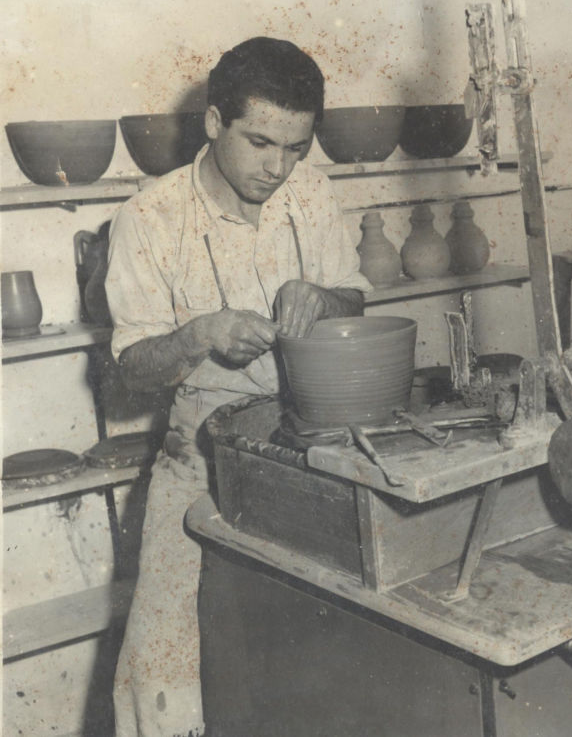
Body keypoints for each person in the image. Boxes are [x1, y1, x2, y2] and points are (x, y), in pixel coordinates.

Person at [105, 37, 372, 737]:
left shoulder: (308, 194)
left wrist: (323, 297)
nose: (278, 168)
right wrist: (199, 336)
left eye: (296, 147)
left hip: (311, 437)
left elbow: (356, 300)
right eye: (259, 143)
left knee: (323, 650)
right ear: (215, 122)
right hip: (199, 452)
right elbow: (131, 370)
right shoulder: (149, 217)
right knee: (163, 668)